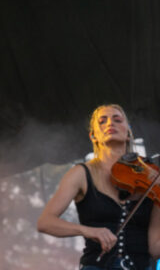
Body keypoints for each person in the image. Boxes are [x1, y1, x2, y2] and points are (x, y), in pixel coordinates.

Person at [37, 104, 160, 269]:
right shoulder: (80, 173)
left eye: (117, 120)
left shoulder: (152, 178)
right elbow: (45, 222)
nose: (110, 123)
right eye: (102, 121)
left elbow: (154, 248)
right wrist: (87, 230)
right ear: (93, 136)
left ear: (128, 133)